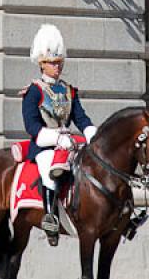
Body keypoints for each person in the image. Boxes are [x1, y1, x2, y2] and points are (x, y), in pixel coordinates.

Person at [22, 24, 97, 244]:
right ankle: (50, 219)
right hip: (45, 144)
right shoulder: (34, 91)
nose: (57, 67)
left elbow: (80, 117)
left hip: (68, 142)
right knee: (49, 172)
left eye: (59, 62)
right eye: (52, 63)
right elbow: (32, 126)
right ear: (42, 64)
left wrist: (92, 133)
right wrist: (55, 138)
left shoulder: (68, 90)